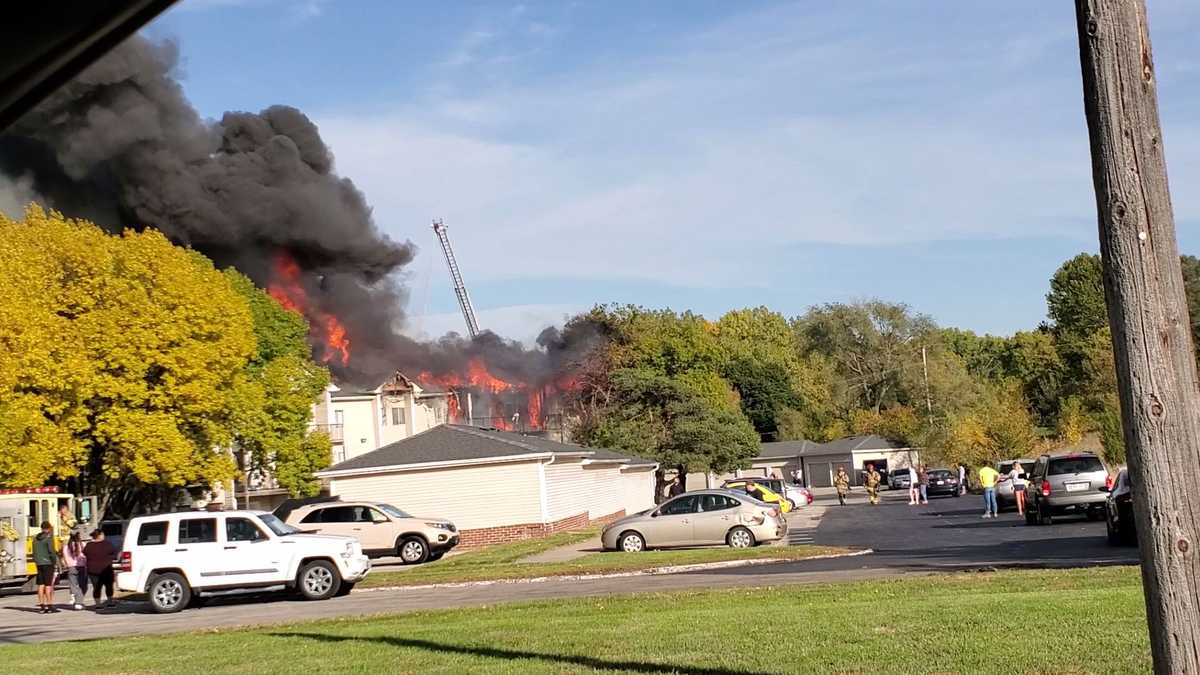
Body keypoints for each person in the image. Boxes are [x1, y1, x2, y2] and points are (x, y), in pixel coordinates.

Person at [83, 529, 117, 608]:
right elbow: (114, 553)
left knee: (96, 587)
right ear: (100, 535)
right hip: (106, 569)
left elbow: (84, 553)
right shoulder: (107, 544)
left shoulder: (89, 545)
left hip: (93, 570)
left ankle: (98, 604)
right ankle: (110, 602)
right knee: (109, 586)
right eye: (103, 534)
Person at [33, 521, 58, 613]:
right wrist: (54, 562)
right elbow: (51, 551)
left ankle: (41, 605)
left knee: (41, 584)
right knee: (48, 584)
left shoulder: (35, 538)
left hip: (39, 563)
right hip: (48, 563)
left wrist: (37, 561)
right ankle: (49, 605)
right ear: (48, 528)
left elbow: (34, 552)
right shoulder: (49, 538)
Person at [61, 531, 88, 611]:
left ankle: (75, 598)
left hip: (71, 568)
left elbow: (64, 557)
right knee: (82, 586)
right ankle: (78, 602)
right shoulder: (83, 545)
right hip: (81, 567)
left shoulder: (66, 547)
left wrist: (67, 564)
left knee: (73, 585)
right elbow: (85, 556)